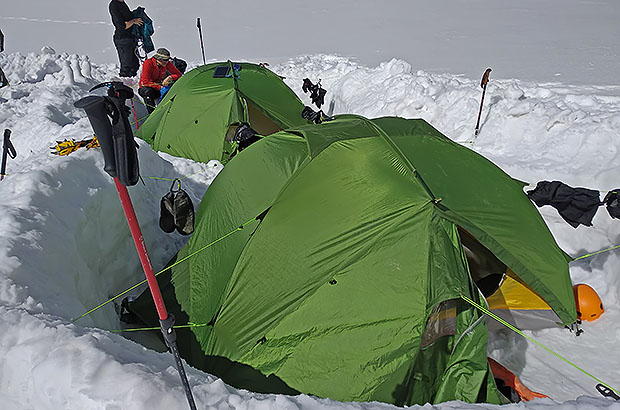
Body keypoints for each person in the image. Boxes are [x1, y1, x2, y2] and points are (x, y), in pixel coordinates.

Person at [138, 48, 182, 113]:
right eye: (165, 60)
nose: (167, 61)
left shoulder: (166, 64)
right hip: (146, 88)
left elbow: (179, 74)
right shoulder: (148, 63)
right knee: (147, 92)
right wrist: (160, 87)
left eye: (168, 59)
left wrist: (170, 77)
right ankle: (152, 114)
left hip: (158, 87)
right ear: (159, 59)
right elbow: (145, 82)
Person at [109, 0, 143, 78]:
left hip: (130, 39)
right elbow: (121, 26)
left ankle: (131, 85)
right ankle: (123, 86)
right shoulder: (114, 5)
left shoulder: (122, 3)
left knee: (134, 66)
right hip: (122, 40)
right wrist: (134, 21)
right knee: (127, 67)